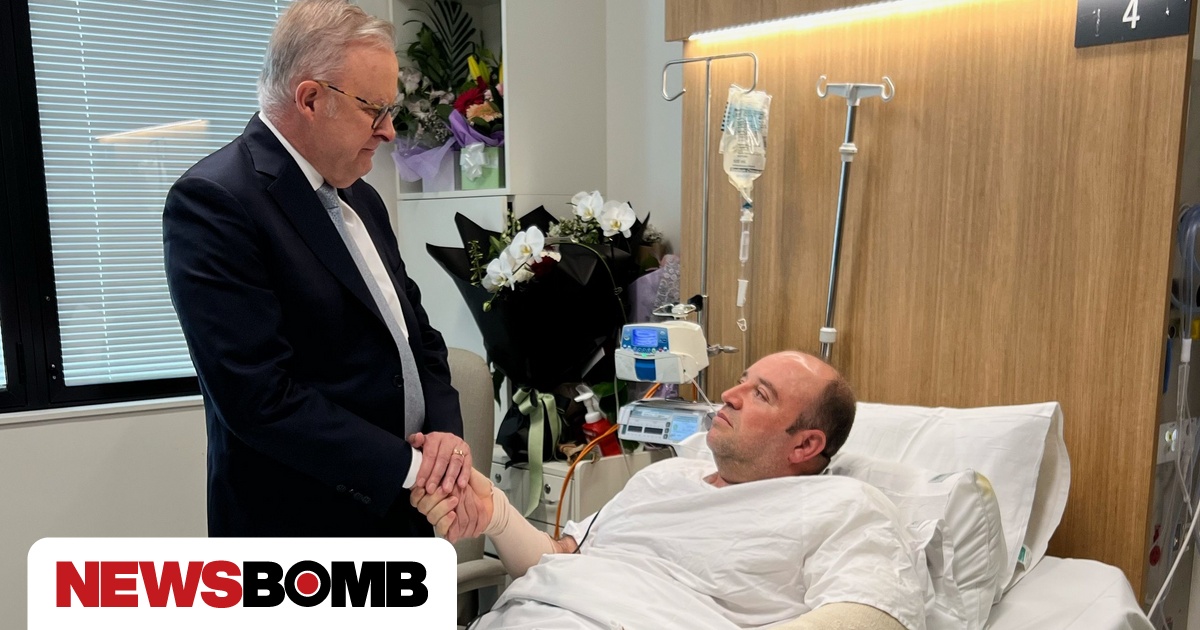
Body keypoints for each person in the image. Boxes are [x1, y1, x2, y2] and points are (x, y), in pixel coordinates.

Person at [164, 0, 479, 537]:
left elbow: (417, 338)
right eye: (375, 110)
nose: (389, 131)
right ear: (310, 99)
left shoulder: (361, 198)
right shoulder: (215, 201)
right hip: (303, 525)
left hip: (405, 509)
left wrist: (445, 441)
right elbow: (259, 398)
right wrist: (411, 470)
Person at [414, 351, 928, 630]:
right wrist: (498, 515)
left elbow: (870, 616)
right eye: (742, 380)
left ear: (806, 444)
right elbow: (560, 556)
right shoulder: (664, 477)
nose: (729, 395)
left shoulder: (846, 506)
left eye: (760, 395)